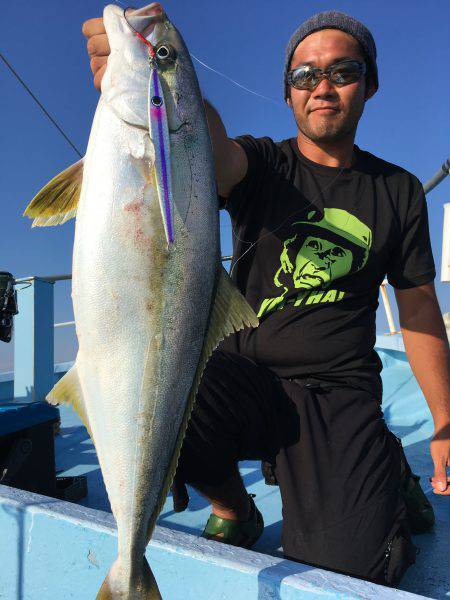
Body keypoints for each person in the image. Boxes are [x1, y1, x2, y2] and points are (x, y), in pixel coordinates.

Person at [82, 5, 450, 587]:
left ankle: (381, 464)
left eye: (342, 71)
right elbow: (209, 151)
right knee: (164, 390)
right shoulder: (261, 163)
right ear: (287, 94)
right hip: (240, 374)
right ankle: (235, 506)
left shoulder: (398, 190)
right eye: (304, 75)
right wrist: (155, 74)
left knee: (349, 572)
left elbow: (420, 308)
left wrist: (445, 420)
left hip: (337, 389)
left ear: (370, 84)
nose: (321, 87)